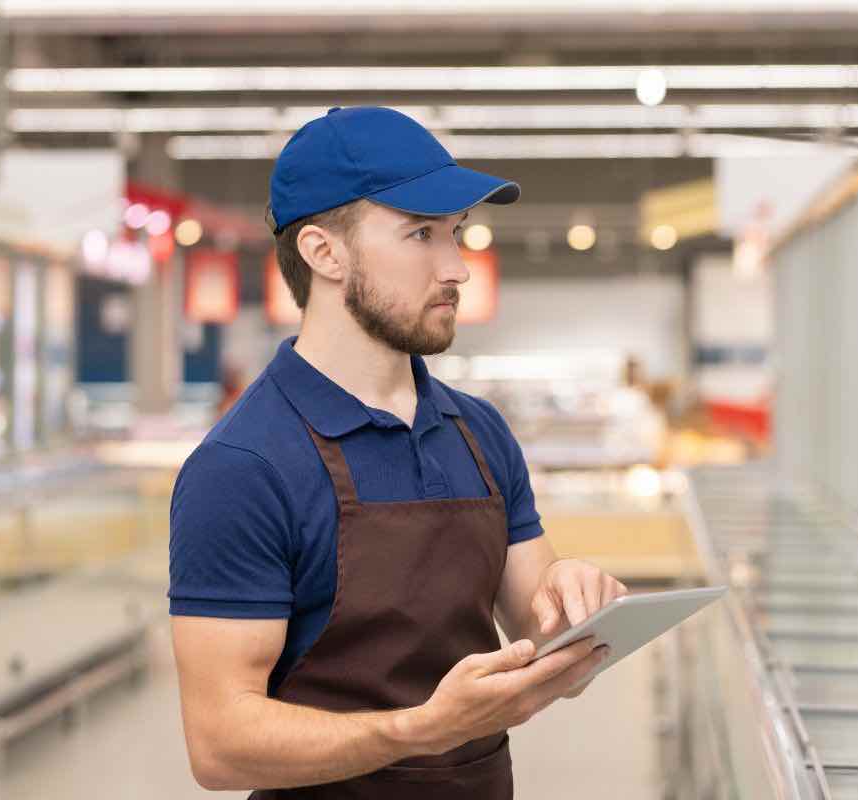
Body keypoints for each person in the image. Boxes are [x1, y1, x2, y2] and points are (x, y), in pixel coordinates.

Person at [168, 106, 628, 799]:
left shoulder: (479, 432)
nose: (456, 268)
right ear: (325, 253)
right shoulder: (243, 466)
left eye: (456, 234)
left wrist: (575, 609)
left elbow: (537, 625)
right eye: (420, 234)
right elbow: (220, 745)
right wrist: (420, 729)